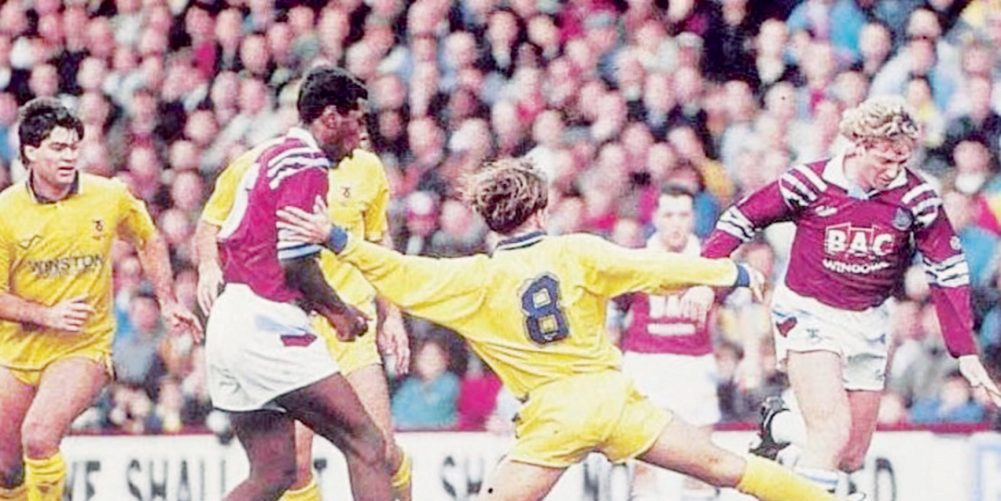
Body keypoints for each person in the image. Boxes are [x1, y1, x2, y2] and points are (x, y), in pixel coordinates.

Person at [277, 156, 851, 501]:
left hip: (553, 417)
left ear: (489, 219)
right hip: (611, 400)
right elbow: (653, 268)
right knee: (726, 469)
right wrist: (729, 272)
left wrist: (337, 237)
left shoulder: (476, 279)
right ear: (541, 210)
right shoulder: (577, 252)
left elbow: (398, 272)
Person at [698, 96, 1001, 495]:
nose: (893, 171)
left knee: (851, 454)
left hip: (869, 320)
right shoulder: (810, 182)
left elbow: (947, 269)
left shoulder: (917, 197)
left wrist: (964, 350)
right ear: (859, 144)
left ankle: (780, 424)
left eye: (902, 161)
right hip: (808, 311)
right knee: (830, 430)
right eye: (885, 160)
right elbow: (742, 217)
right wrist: (703, 275)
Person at [196, 112, 412, 501]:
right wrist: (209, 266)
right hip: (292, 320)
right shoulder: (263, 160)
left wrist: (391, 315)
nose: (361, 135)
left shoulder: (367, 168)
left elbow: (379, 242)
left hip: (351, 325)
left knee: (379, 449)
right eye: (354, 124)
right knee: (295, 464)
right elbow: (210, 222)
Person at [0, 97, 200, 501]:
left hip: (83, 348)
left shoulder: (107, 195)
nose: (69, 156)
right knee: (5, 465)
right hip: (17, 351)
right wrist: (47, 315)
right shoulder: (6, 212)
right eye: (58, 148)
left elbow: (148, 238)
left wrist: (167, 299)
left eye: (73, 147)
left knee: (38, 436)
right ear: (30, 152)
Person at [609, 184, 723, 500]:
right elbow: (614, 314)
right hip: (645, 363)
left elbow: (734, 307)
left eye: (683, 215)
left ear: (693, 218)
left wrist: (751, 356)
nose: (676, 223)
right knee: (644, 462)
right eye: (669, 215)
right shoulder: (637, 260)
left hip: (695, 364)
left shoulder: (709, 258)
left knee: (701, 462)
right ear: (656, 217)